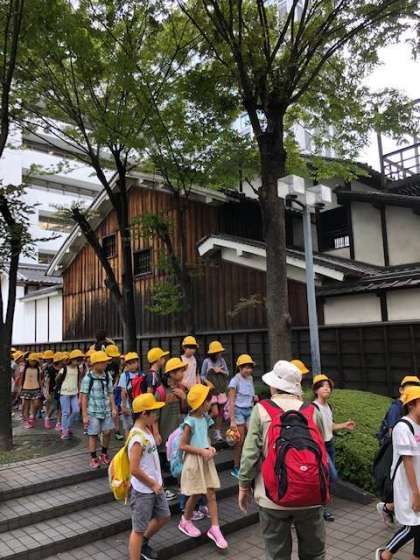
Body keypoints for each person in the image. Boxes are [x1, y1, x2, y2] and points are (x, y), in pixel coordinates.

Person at [238, 360, 327, 560]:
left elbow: (250, 454)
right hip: (310, 494)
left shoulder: (261, 409)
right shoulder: (313, 410)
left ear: (274, 385)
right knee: (315, 554)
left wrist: (244, 486)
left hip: (271, 497)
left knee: (277, 554)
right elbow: (322, 449)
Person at [178, 383, 228, 550]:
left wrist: (210, 447)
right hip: (194, 461)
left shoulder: (205, 418)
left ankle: (215, 528)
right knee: (196, 493)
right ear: (200, 404)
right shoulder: (189, 421)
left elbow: (204, 438)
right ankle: (185, 520)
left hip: (205, 459)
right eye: (208, 400)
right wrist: (201, 450)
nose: (211, 402)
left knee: (211, 493)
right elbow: (183, 445)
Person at [375, 386, 420, 560]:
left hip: (418, 481)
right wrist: (415, 493)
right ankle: (385, 554)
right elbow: (408, 461)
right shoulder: (403, 427)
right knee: (413, 525)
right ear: (411, 404)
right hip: (408, 484)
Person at [128, 393, 170, 560]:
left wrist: (157, 481)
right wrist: (153, 483)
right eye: (153, 412)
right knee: (138, 530)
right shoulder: (137, 438)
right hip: (142, 490)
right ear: (144, 414)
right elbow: (134, 469)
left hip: (154, 486)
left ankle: (143, 543)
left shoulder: (146, 430)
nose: (156, 415)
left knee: (164, 515)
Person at [312, 374, 356, 521]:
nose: (327, 388)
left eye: (328, 386)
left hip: (330, 444)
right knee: (332, 475)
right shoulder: (313, 408)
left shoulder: (328, 406)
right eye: (323, 386)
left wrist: (344, 425)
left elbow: (329, 426)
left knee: (326, 477)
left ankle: (321, 505)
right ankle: (320, 505)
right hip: (320, 446)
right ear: (316, 390)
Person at [80, 350, 117, 469]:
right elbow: (84, 397)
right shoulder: (88, 378)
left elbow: (110, 393)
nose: (105, 364)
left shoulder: (107, 376)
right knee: (93, 434)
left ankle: (104, 453)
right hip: (93, 412)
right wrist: (85, 415)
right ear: (95, 364)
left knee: (107, 432)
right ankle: (93, 457)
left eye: (105, 362)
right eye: (102, 362)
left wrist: (113, 407)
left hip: (106, 410)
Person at [159, 357, 188, 502]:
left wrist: (184, 397)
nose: (182, 373)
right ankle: (162, 490)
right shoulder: (160, 391)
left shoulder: (182, 388)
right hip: (164, 432)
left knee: (179, 460)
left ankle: (182, 488)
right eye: (180, 371)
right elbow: (155, 415)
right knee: (162, 462)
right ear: (171, 373)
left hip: (178, 433)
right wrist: (156, 433)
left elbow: (187, 410)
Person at [228, 354, 256, 479]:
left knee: (252, 438)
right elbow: (231, 401)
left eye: (250, 367)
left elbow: (251, 393)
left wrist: (254, 397)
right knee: (239, 441)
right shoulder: (235, 381)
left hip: (249, 410)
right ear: (240, 368)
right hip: (238, 411)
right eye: (246, 367)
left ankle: (248, 464)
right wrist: (232, 420)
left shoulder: (250, 378)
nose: (248, 370)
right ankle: (236, 466)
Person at [201, 341, 229, 443]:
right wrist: (208, 382)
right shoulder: (206, 361)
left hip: (221, 389)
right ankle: (203, 422)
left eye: (220, 352)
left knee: (220, 413)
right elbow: (202, 375)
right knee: (215, 412)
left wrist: (220, 371)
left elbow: (227, 373)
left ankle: (217, 432)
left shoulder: (222, 360)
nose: (219, 354)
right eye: (217, 352)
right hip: (211, 389)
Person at [57, 349, 84, 440]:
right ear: (71, 359)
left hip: (74, 393)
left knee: (76, 410)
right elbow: (57, 379)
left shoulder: (78, 369)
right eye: (77, 360)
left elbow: (78, 381)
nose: (78, 362)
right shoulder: (64, 369)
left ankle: (67, 426)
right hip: (64, 393)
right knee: (66, 412)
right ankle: (65, 431)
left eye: (80, 360)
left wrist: (79, 392)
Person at [118, 352, 142, 437]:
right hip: (128, 406)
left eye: (134, 362)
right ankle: (128, 444)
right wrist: (124, 407)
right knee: (127, 428)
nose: (132, 365)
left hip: (139, 405)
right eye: (129, 363)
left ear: (137, 363)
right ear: (126, 365)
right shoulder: (124, 376)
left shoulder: (141, 375)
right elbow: (123, 392)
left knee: (138, 426)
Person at [105, 344, 124, 441]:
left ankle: (117, 431)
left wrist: (115, 383)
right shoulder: (103, 365)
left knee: (115, 410)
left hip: (113, 390)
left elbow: (117, 375)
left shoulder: (115, 365)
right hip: (104, 391)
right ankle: (103, 431)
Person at [19, 353, 43, 429]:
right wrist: (20, 388)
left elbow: (39, 379)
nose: (33, 362)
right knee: (26, 406)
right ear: (28, 361)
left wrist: (41, 388)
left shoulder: (38, 369)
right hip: (26, 388)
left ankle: (32, 416)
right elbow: (21, 378)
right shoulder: (24, 368)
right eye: (31, 361)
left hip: (36, 388)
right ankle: (27, 421)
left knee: (37, 404)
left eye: (34, 361)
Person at [43, 352, 62, 429]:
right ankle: (47, 418)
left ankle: (58, 423)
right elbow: (47, 381)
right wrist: (48, 391)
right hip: (52, 389)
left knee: (60, 406)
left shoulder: (63, 368)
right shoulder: (50, 368)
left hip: (61, 389)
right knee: (54, 405)